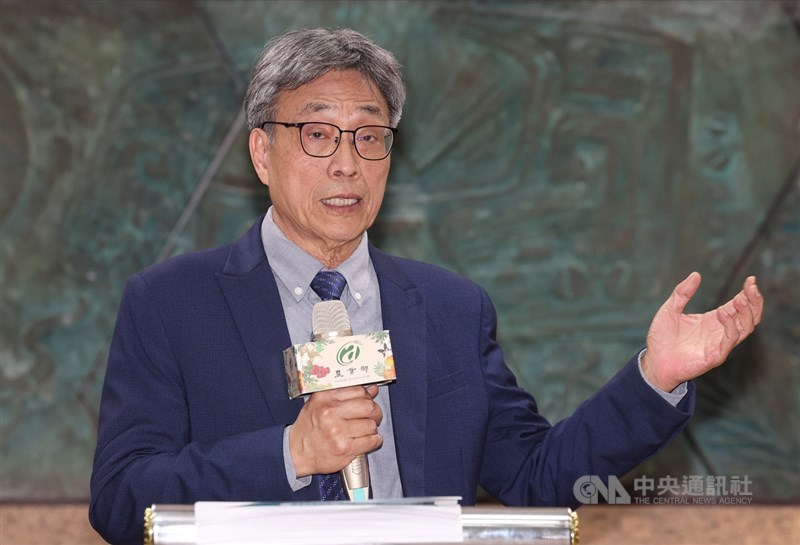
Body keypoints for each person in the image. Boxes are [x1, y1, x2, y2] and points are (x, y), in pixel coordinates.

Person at [89, 28, 763, 544]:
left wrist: (654, 377)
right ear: (263, 151)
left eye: (370, 136)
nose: (348, 163)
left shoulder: (450, 308)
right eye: (319, 134)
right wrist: (292, 451)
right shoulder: (170, 302)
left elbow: (533, 476)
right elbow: (121, 499)